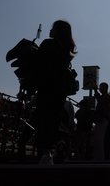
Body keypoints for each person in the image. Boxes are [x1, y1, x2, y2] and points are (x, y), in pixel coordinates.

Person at [34, 20, 77, 165]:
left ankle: (47, 154)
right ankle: (59, 141)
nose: (50, 31)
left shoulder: (48, 44)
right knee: (54, 119)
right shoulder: (66, 50)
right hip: (60, 91)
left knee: (43, 120)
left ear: (58, 30)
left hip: (47, 87)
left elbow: (38, 63)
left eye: (53, 28)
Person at [93, 82, 110, 161]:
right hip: (101, 118)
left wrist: (95, 92)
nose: (100, 88)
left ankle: (100, 157)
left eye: (102, 87)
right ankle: (98, 156)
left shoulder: (107, 96)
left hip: (104, 118)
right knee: (97, 138)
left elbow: (101, 101)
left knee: (99, 138)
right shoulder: (104, 96)